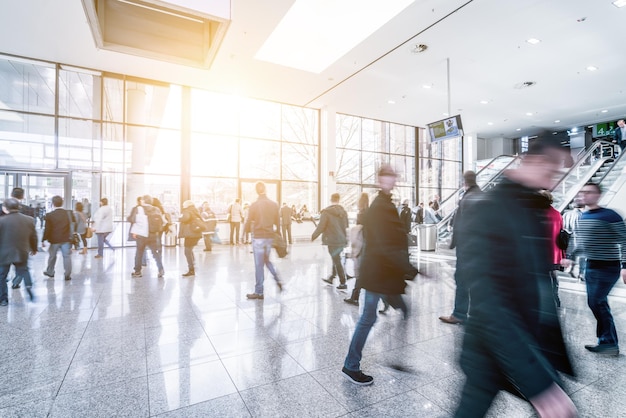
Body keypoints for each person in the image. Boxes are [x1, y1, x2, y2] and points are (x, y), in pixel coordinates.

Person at [454, 138, 576, 418]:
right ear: (533, 162)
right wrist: (539, 383)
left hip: (528, 344)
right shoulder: (488, 208)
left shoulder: (531, 207)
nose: (554, 181)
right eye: (551, 170)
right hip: (495, 347)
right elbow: (489, 302)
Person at [342, 164, 418, 386]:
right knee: (369, 317)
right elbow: (387, 246)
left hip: (382, 273)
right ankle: (351, 365)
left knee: (394, 312)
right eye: (386, 177)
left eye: (393, 177)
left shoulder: (384, 204)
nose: (391, 181)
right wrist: (412, 269)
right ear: (379, 180)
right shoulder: (380, 207)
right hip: (379, 274)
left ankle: (390, 358)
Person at [563, 182, 626, 356]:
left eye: (589, 192)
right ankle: (606, 341)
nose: (584, 195)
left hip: (608, 266)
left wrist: (625, 266)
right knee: (595, 303)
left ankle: (610, 343)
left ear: (598, 195)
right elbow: (581, 243)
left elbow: (624, 240)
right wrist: (570, 258)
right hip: (591, 265)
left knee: (597, 301)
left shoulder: (610, 215)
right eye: (583, 192)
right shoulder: (584, 216)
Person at [439, 170, 482, 325]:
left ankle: (459, 313)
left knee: (462, 280)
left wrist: (455, 243)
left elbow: (462, 225)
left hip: (468, 248)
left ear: (464, 182)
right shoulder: (481, 195)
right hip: (479, 248)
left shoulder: (467, 198)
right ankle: (477, 314)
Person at [243, 181, 283, 299]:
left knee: (259, 265)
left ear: (256, 191)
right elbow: (277, 222)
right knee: (267, 260)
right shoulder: (274, 204)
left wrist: (243, 235)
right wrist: (278, 235)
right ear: (265, 189)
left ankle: (259, 291)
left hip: (259, 237)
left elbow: (249, 220)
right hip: (269, 237)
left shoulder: (254, 205)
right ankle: (277, 279)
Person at [0, 198, 37, 303]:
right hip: (22, 251)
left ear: (6, 208)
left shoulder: (2, 221)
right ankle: (29, 288)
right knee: (24, 271)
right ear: (19, 207)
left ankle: (3, 299)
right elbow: (33, 237)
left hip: (4, 253)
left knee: (2, 276)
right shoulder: (29, 220)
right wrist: (34, 248)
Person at [312, 193, 349, 290]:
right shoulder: (344, 212)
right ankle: (332, 277)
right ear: (338, 199)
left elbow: (321, 226)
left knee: (336, 260)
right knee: (336, 258)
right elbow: (346, 226)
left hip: (332, 240)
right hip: (341, 240)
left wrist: (314, 236)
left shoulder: (326, 212)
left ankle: (343, 282)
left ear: (330, 199)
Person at [539, 190, 564, 308]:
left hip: (543, 250)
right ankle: (555, 295)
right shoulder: (557, 214)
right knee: (553, 274)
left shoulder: (539, 213)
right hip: (555, 251)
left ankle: (546, 298)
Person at [130, 195, 165, 278]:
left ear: (143, 201)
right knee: (155, 253)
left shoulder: (138, 208)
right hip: (153, 234)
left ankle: (137, 271)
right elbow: (162, 221)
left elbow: (132, 219)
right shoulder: (156, 209)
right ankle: (160, 269)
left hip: (142, 234)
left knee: (139, 252)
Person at [344, 192, 369, 306]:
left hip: (361, 245)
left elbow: (358, 231)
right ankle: (355, 297)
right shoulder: (369, 212)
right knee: (364, 273)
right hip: (368, 245)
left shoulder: (361, 214)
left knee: (360, 272)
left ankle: (355, 297)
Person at [42, 195, 74, 281]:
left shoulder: (49, 215)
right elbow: (73, 225)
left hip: (54, 240)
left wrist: (44, 239)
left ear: (53, 204)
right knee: (67, 257)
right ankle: (67, 274)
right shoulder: (69, 213)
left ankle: (50, 272)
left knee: (52, 256)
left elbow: (47, 229)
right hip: (66, 239)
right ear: (62, 203)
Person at [179, 200, 203, 277]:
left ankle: (191, 270)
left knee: (187, 252)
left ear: (187, 205)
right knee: (190, 250)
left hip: (190, 234)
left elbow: (185, 218)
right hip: (196, 233)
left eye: (183, 205)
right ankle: (193, 264)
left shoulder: (187, 211)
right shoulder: (195, 211)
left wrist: (180, 218)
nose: (183, 206)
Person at [562, 199, 584, 279]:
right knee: (582, 256)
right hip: (580, 238)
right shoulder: (582, 215)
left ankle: (569, 269)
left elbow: (562, 226)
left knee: (570, 255)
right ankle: (581, 273)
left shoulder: (566, 214)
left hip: (569, 237)